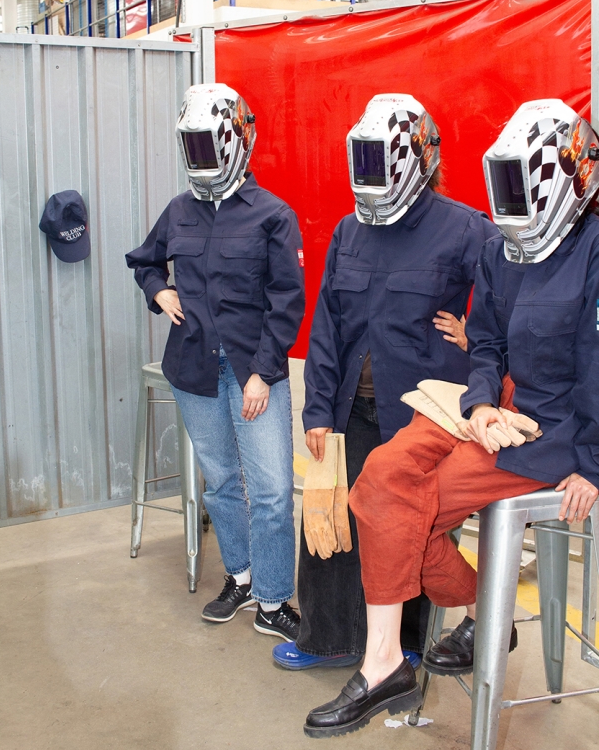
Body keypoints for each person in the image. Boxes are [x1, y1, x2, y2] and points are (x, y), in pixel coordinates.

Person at [303, 98, 599, 738]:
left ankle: (410, 650)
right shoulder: (503, 252)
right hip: (484, 409)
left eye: (525, 184)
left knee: (411, 505)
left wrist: (594, 465)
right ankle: (400, 654)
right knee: (378, 481)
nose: (515, 202)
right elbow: (486, 340)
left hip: (552, 430)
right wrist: (483, 401)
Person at [272, 94, 497, 672]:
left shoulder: (465, 228)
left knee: (403, 527)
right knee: (331, 522)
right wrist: (317, 410)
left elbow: (514, 294)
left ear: (420, 159)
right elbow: (327, 326)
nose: (373, 173)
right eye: (365, 158)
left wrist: (478, 337)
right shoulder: (349, 231)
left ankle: (407, 644)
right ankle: (325, 640)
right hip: (350, 407)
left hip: (422, 417)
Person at [126, 83, 305, 641]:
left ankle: (273, 601)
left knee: (272, 489)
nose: (201, 156)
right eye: (193, 145)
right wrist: (158, 290)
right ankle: (241, 578)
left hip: (255, 373)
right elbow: (145, 261)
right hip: (193, 371)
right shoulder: (178, 210)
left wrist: (262, 374)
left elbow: (287, 300)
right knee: (222, 482)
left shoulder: (273, 215)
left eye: (209, 143)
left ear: (237, 139)